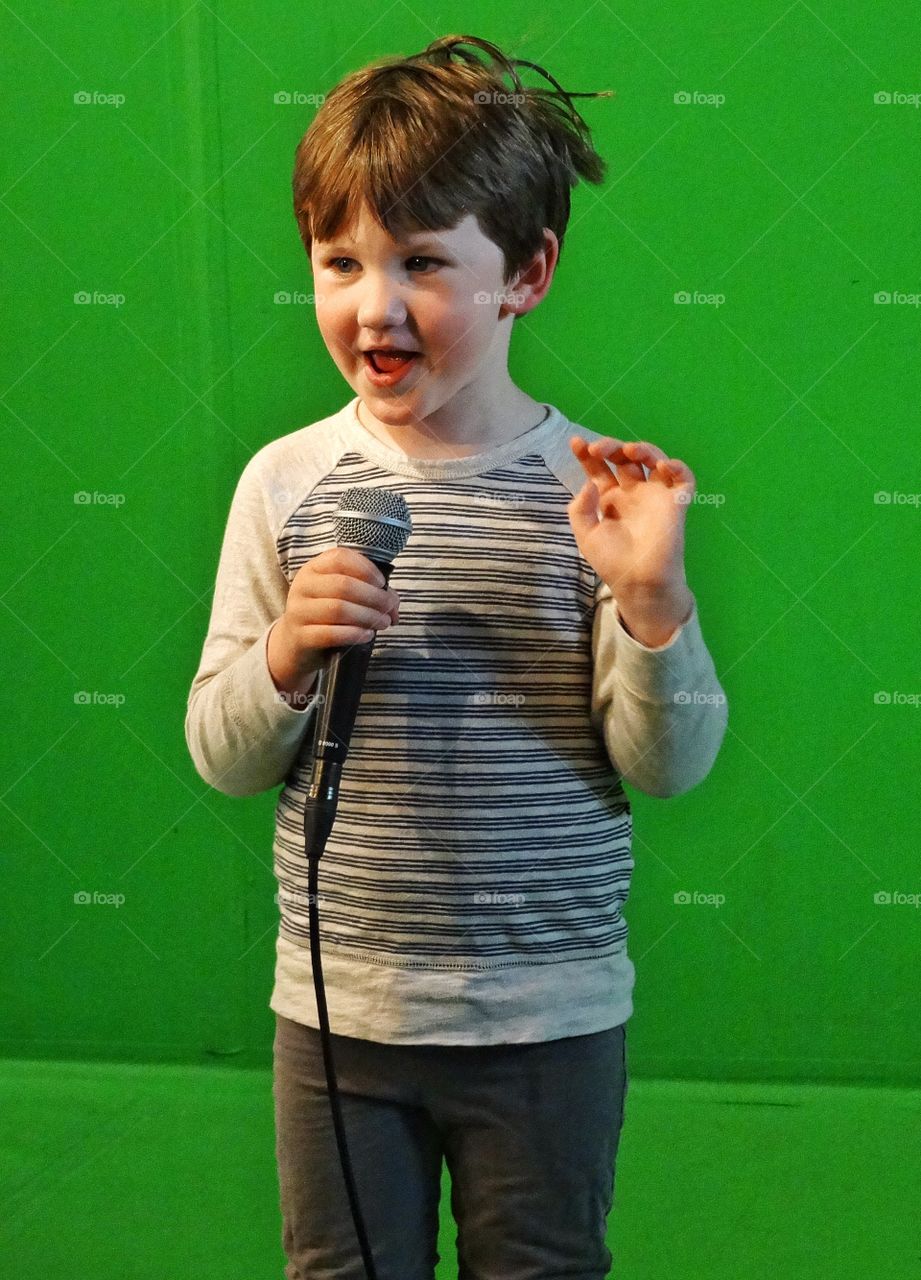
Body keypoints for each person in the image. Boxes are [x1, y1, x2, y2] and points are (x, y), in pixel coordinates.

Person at [185, 33, 728, 1280]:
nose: (374, 306)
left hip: (548, 1019)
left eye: (423, 262)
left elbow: (671, 765)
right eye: (340, 261)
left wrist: (653, 601)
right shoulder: (285, 483)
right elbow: (221, 751)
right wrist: (284, 653)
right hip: (339, 1016)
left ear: (527, 272)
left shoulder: (595, 498)